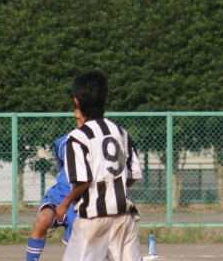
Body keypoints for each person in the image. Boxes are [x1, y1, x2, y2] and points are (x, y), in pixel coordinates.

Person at [56, 70, 143, 261]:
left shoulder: (77, 137)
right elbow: (134, 173)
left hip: (93, 218)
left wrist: (65, 203)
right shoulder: (121, 132)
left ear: (76, 101)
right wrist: (113, 190)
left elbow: (83, 181)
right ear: (105, 100)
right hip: (123, 215)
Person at [24, 114, 80, 261]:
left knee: (79, 242)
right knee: (43, 219)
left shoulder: (98, 142)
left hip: (82, 194)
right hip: (62, 191)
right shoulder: (62, 142)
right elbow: (64, 168)